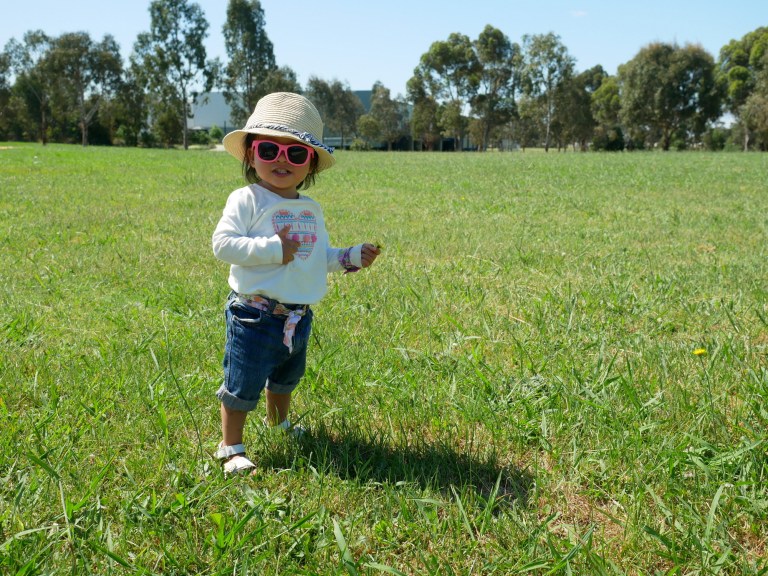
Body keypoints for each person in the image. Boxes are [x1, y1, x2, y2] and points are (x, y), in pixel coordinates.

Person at [212, 92, 381, 475]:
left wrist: (350, 256)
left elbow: (315, 257)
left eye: (296, 154)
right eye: (269, 150)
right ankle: (231, 447)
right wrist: (274, 248)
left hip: (297, 316)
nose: (282, 161)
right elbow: (222, 244)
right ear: (251, 155)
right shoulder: (246, 200)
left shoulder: (310, 209)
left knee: (286, 378)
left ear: (311, 164)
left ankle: (279, 424)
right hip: (254, 313)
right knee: (242, 383)